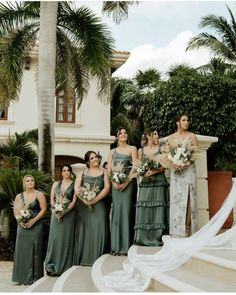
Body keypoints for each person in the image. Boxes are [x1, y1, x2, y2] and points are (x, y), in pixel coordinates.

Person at [73, 151, 110, 266]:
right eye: (92, 158)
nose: (95, 159)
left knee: (100, 227)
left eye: (96, 157)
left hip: (99, 204)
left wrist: (96, 199)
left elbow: (107, 187)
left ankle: (98, 258)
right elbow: (77, 187)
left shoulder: (104, 171)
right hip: (84, 206)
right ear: (88, 162)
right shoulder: (82, 173)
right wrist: (84, 200)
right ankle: (84, 258)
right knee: (85, 230)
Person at [134, 128, 169, 246]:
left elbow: (165, 166)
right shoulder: (140, 150)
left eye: (157, 134)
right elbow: (138, 165)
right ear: (148, 136)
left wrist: (154, 171)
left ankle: (157, 237)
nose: (157, 136)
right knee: (144, 206)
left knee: (158, 207)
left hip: (159, 181)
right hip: (145, 182)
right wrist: (143, 172)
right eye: (154, 134)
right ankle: (143, 237)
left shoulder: (161, 149)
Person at [167, 113, 199, 237]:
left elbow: (196, 153)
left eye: (187, 120)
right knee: (177, 199)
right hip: (176, 172)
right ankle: (176, 229)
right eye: (184, 120)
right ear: (177, 122)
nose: (187, 122)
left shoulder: (192, 136)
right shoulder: (170, 138)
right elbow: (167, 154)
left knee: (189, 197)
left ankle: (188, 228)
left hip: (189, 170)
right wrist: (174, 163)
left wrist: (185, 162)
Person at [107, 127, 138, 255]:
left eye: (125, 133)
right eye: (121, 133)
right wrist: (114, 182)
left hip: (129, 184)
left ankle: (127, 246)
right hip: (115, 186)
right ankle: (116, 246)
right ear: (117, 137)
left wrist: (127, 180)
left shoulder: (132, 149)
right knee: (117, 213)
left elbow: (135, 166)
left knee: (127, 211)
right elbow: (109, 169)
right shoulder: (112, 152)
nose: (123, 134)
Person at [12, 175, 47, 285]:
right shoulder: (19, 196)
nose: (30, 182)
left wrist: (34, 220)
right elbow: (16, 210)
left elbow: (44, 209)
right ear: (24, 184)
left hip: (36, 224)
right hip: (22, 226)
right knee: (22, 250)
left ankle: (35, 277)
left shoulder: (39, 194)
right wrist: (19, 221)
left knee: (35, 249)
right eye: (28, 181)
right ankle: (21, 277)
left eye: (32, 180)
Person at [45, 164, 77, 276]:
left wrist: (65, 211)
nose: (66, 172)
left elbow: (74, 201)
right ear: (61, 172)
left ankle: (64, 266)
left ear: (71, 172)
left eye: (68, 170)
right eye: (64, 170)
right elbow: (52, 199)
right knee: (55, 239)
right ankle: (51, 265)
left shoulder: (74, 185)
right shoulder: (56, 184)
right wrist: (56, 210)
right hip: (56, 215)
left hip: (68, 215)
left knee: (66, 239)